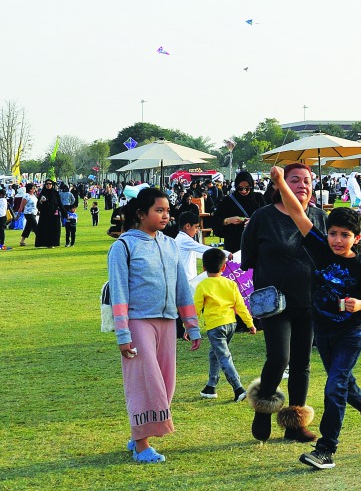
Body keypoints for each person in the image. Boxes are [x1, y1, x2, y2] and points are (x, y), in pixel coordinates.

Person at [267, 168, 361, 469]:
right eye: (334, 233)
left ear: (357, 238)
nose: (337, 240)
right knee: (344, 386)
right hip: (322, 332)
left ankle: (326, 449)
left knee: (334, 387)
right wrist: (280, 182)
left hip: (351, 334)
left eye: (345, 235)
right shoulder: (321, 250)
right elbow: (298, 213)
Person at [107, 188, 201, 463]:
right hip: (138, 322)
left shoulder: (170, 244)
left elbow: (182, 286)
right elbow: (119, 292)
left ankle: (140, 432)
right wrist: (123, 333)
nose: (165, 215)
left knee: (166, 383)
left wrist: (191, 325)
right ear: (140, 214)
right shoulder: (123, 247)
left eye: (167, 211)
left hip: (168, 321)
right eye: (158, 210)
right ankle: (141, 445)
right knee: (145, 382)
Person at [241, 163, 325, 444]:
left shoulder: (318, 216)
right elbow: (248, 259)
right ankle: (264, 406)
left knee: (302, 363)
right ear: (279, 184)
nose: (302, 185)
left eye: (307, 181)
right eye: (295, 180)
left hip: (309, 300)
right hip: (274, 302)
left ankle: (295, 423)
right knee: (280, 357)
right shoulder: (263, 217)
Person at [194, 247, 256, 401]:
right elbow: (241, 306)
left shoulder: (202, 285)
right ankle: (210, 387)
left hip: (215, 327)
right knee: (214, 353)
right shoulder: (231, 284)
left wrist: (191, 327)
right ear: (223, 267)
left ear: (203, 268)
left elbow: (196, 309)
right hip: (231, 325)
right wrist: (250, 324)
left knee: (223, 357)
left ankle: (238, 388)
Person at [212, 171, 265, 256]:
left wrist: (253, 222)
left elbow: (267, 220)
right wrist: (227, 220)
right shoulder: (227, 201)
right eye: (240, 188)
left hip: (255, 245)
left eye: (247, 188)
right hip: (234, 246)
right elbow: (215, 223)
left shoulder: (259, 199)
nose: (244, 191)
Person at [34, 180, 63, 248]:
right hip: (45, 214)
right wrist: (41, 201)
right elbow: (38, 205)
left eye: (50, 184)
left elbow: (59, 203)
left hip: (54, 214)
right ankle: (46, 243)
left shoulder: (55, 193)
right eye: (47, 184)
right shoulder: (43, 193)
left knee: (54, 229)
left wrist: (65, 213)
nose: (48, 185)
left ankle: (53, 243)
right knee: (45, 229)